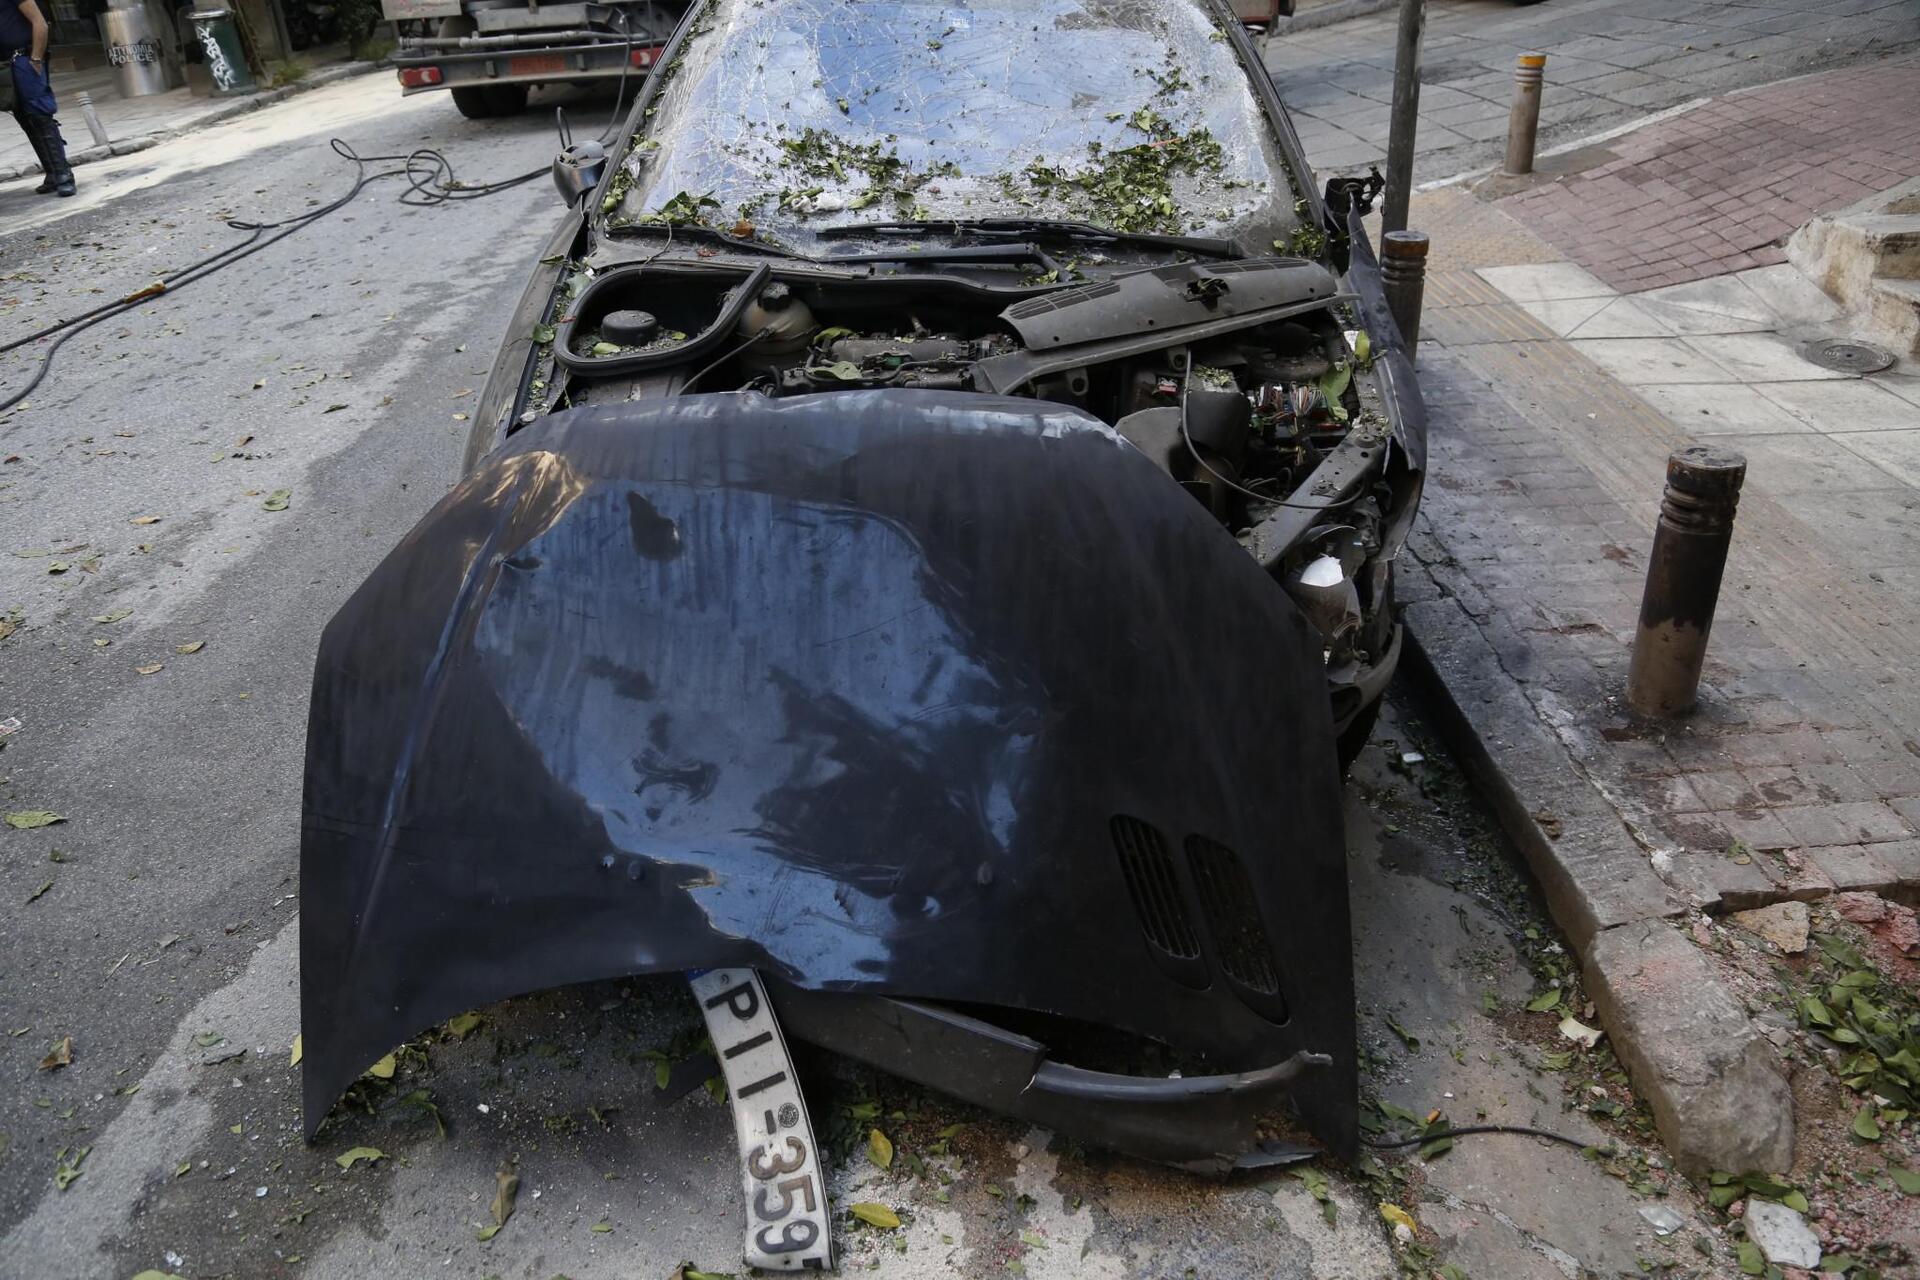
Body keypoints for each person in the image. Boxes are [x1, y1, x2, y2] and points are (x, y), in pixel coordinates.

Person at [4, 0, 74, 197]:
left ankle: (63, 174)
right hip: (4, 66)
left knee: (39, 114)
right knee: (23, 117)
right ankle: (51, 173)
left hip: (23, 59)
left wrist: (36, 59)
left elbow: (40, 23)